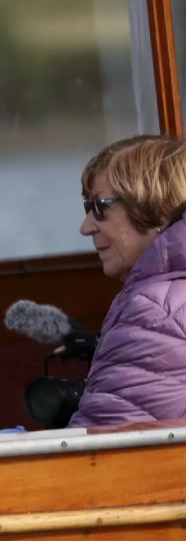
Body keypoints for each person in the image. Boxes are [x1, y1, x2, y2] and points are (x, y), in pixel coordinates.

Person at [69, 135, 186, 427]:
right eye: (87, 208)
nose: (86, 227)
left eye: (100, 207)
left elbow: (103, 456)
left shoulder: (154, 312)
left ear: (157, 209)